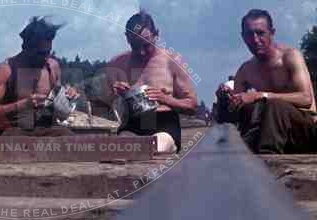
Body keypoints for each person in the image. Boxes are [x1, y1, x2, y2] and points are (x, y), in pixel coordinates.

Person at [216, 9, 317, 154]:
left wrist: (262, 95)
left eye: (260, 33)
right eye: (249, 34)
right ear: (243, 37)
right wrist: (225, 99)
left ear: (272, 32)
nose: (255, 40)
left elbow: (306, 99)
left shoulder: (290, 57)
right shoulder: (246, 70)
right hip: (274, 134)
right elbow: (235, 109)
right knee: (249, 109)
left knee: (274, 105)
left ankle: (268, 157)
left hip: (304, 131)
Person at [103, 11, 198, 153]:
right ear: (127, 38)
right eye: (135, 46)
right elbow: (101, 106)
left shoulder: (172, 61)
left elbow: (192, 105)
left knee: (154, 148)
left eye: (146, 45)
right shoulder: (117, 63)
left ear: (156, 35)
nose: (141, 52)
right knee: (120, 149)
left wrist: (165, 99)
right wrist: (114, 94)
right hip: (131, 125)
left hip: (163, 125)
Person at [0, 16, 78, 135]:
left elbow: (59, 101)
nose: (45, 57)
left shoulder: (52, 67)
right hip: (14, 128)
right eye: (40, 53)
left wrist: (68, 96)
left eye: (48, 52)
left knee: (71, 140)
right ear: (26, 47)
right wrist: (23, 104)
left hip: (48, 128)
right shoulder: (6, 70)